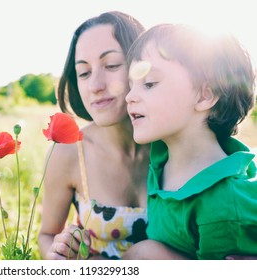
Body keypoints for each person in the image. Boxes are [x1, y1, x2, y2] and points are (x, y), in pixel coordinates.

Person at [124, 23, 257, 259]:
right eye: (131, 85)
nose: (130, 96)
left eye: (149, 83)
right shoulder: (160, 160)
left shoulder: (224, 204)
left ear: (205, 95)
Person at [37, 11, 150, 260]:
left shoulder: (175, 143)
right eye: (84, 73)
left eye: (111, 65)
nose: (96, 85)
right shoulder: (68, 152)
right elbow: (46, 235)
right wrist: (57, 256)